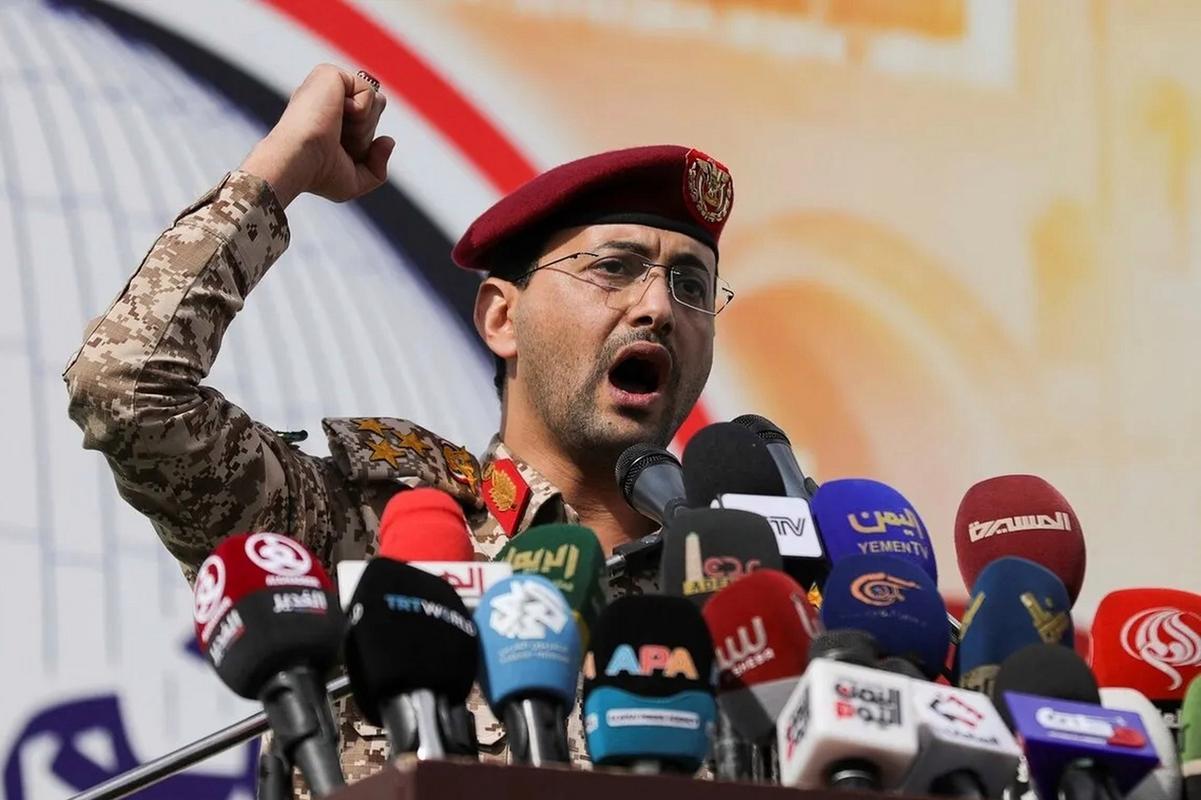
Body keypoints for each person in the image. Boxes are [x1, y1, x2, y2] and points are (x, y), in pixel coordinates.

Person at [63, 64, 734, 792]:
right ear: (502, 318)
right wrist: (285, 168)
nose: (657, 309)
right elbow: (126, 388)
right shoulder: (373, 530)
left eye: (690, 286)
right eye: (614, 267)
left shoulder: (746, 589)